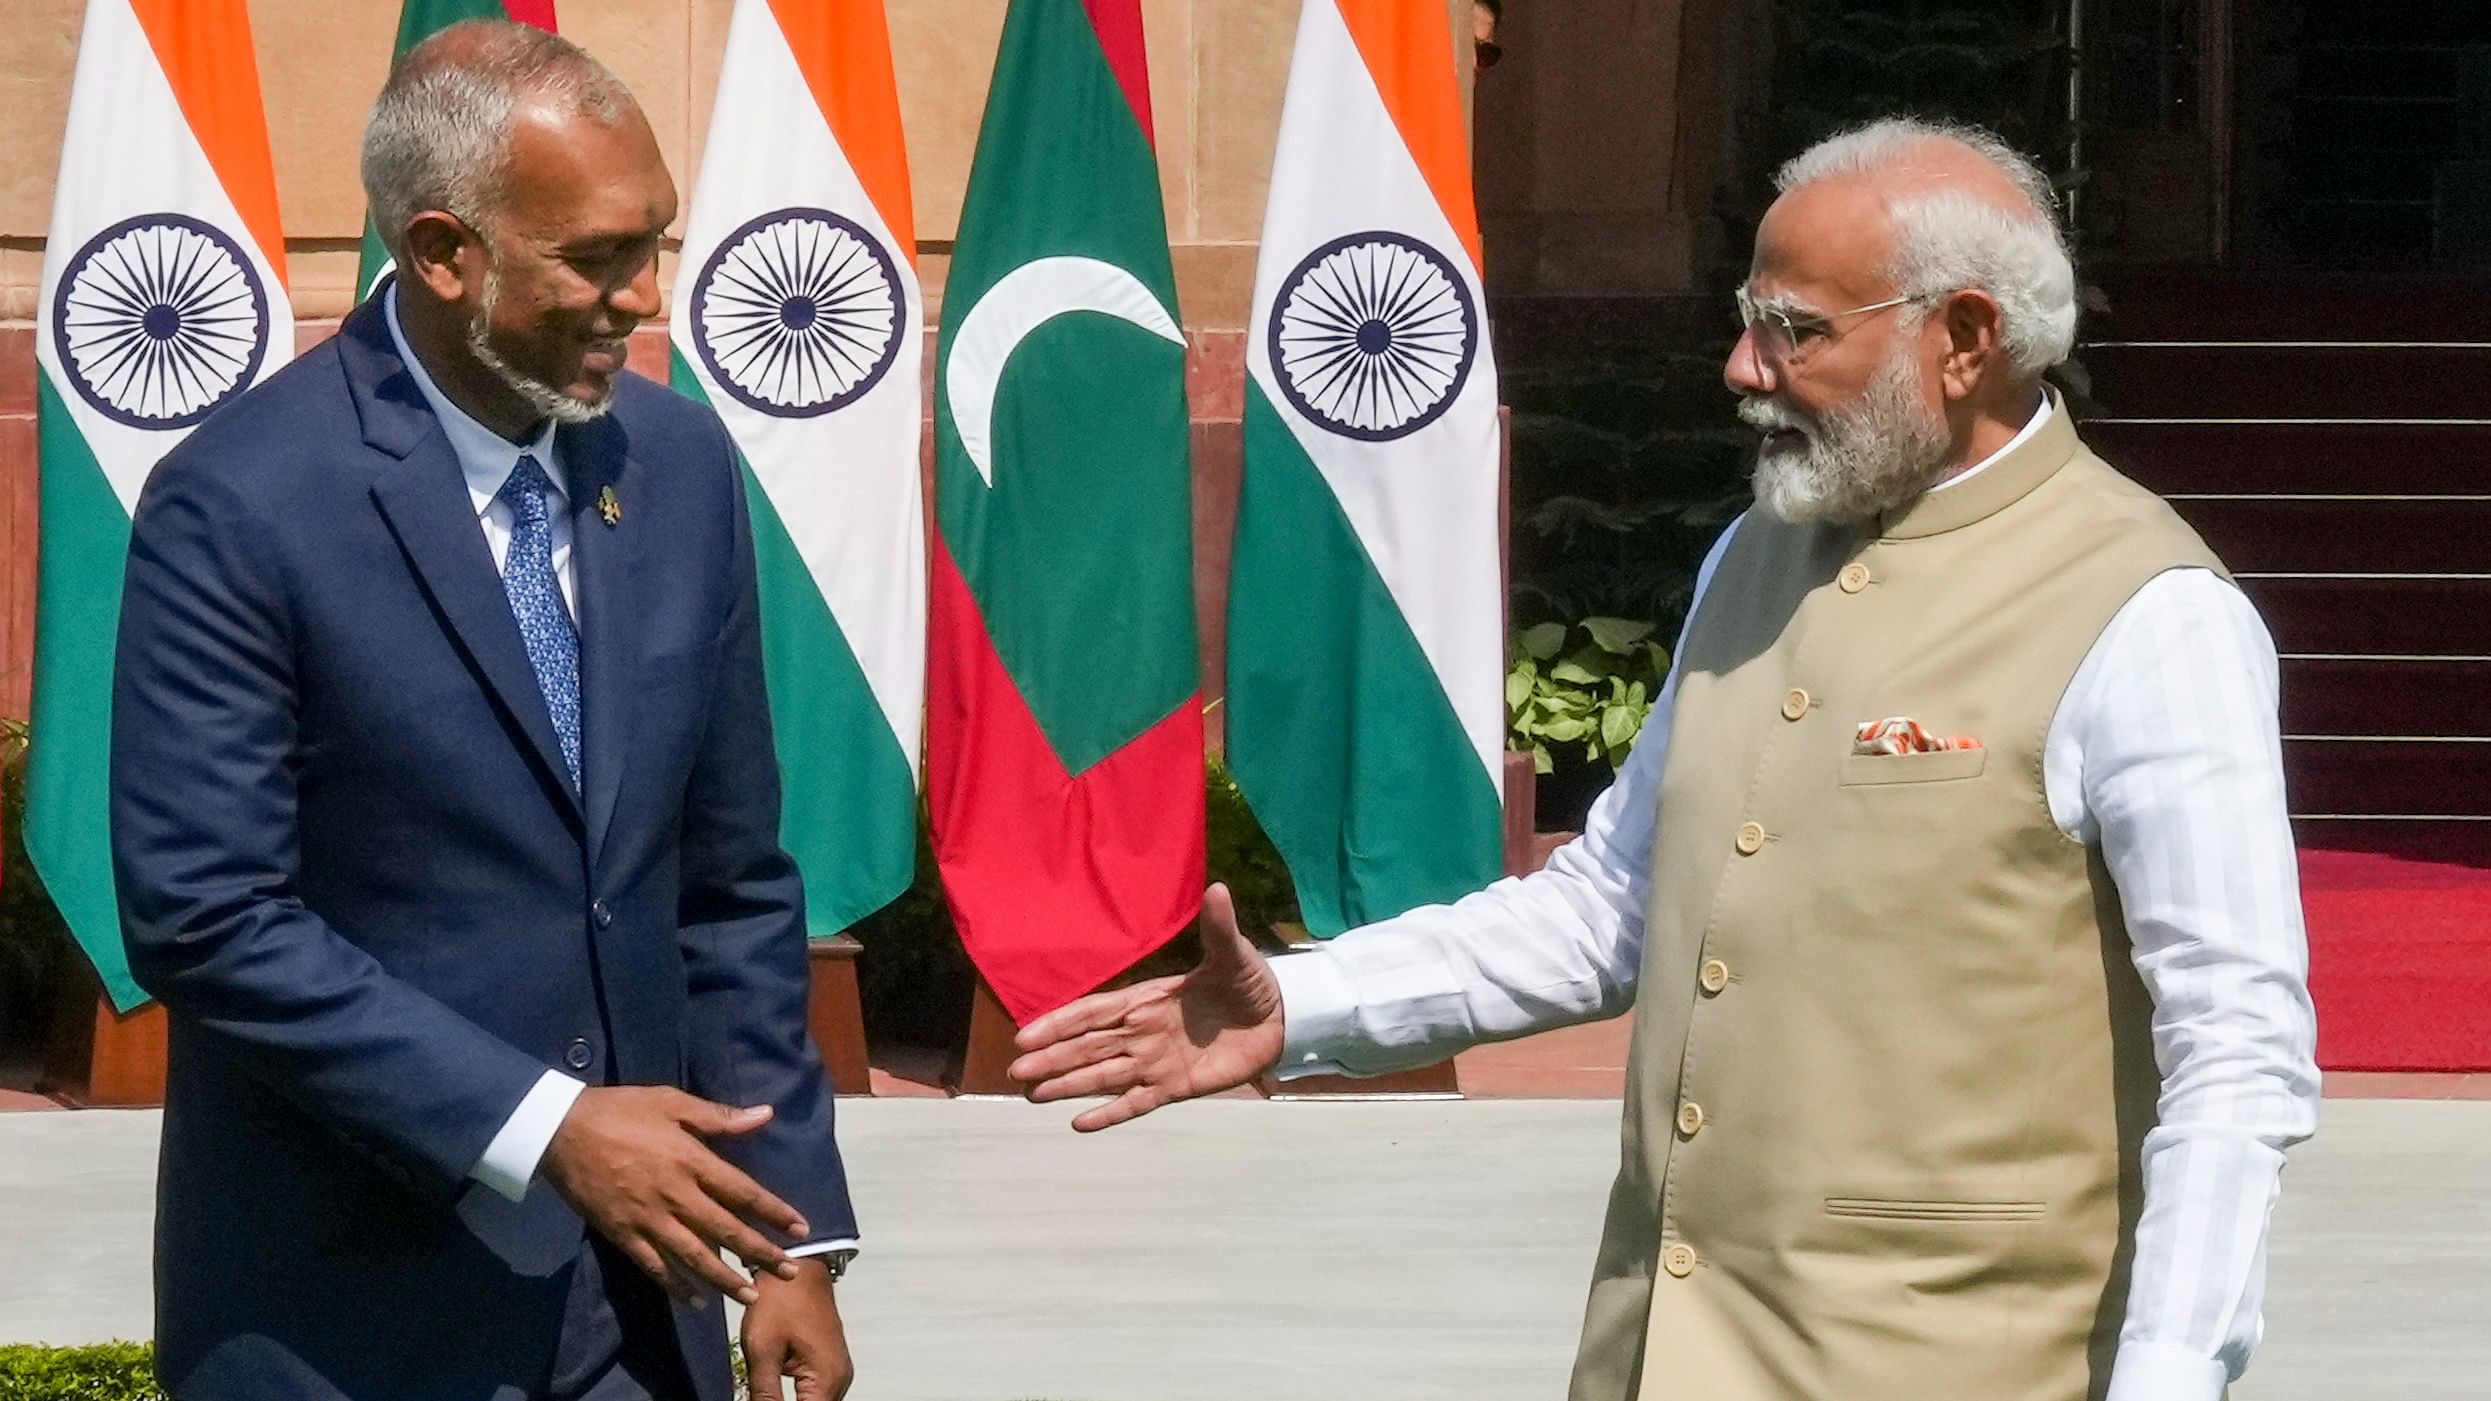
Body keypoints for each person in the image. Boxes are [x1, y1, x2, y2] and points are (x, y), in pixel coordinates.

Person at [1012, 116, 2321, 1401]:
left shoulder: (2148, 614)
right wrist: (1305, 1007)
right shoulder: (1751, 556)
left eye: (1796, 329)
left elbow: (2237, 1056)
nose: (1742, 367)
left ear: (1967, 336)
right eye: (1750, 315)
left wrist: (2166, 1375)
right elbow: (1611, 907)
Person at [111, 22, 856, 1401]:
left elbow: (729, 884)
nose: (643, 299)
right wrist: (548, 1126)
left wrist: (789, 1231)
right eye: (596, 257)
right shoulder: (241, 501)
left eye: (655, 244)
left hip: (644, 1319)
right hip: (348, 1322)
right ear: (446, 251)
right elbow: (206, 916)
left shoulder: (680, 465)